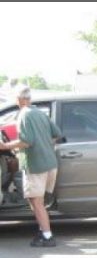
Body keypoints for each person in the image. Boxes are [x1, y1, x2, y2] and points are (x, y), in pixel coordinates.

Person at [0, 85, 62, 246]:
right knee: (36, 201)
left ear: (19, 99)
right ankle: (43, 230)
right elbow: (56, 135)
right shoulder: (40, 114)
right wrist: (43, 146)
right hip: (50, 164)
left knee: (36, 202)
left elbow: (26, 142)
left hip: (35, 166)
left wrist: (5, 146)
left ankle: (47, 237)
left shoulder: (24, 115)